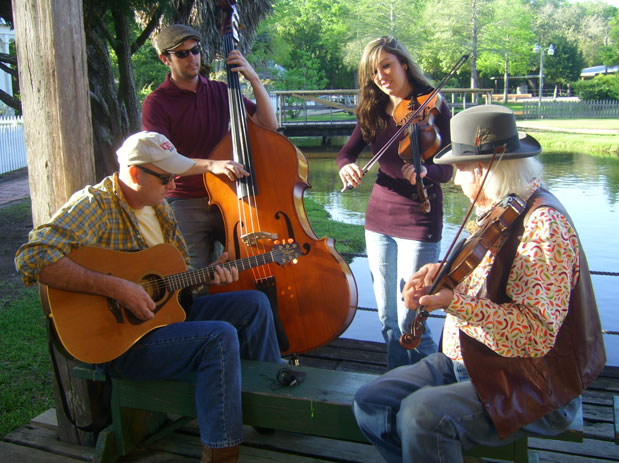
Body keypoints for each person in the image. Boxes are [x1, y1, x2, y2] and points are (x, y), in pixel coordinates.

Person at [352, 105, 606, 463]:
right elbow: (485, 272)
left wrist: (453, 303)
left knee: (423, 415)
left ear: (488, 168)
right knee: (371, 402)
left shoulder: (543, 226)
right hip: (469, 362)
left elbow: (535, 334)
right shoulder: (501, 209)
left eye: (460, 169)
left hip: (531, 381)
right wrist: (438, 273)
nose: (455, 180)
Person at [15, 131, 283, 463]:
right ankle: (220, 451)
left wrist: (210, 274)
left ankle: (273, 406)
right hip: (121, 344)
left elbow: (174, 290)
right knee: (218, 336)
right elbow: (33, 257)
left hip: (163, 325)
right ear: (133, 173)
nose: (174, 185)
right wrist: (116, 288)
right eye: (167, 177)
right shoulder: (95, 205)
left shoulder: (160, 209)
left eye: (177, 175)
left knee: (253, 305)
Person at [336, 36, 453, 370]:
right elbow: (346, 154)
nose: (381, 76)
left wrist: (425, 169)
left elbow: (449, 169)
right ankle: (396, 387)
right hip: (378, 221)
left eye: (386, 66)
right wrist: (347, 168)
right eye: (374, 72)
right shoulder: (372, 110)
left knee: (410, 320)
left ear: (403, 63)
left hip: (419, 219)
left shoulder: (432, 104)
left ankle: (440, 386)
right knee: (388, 319)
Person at [142, 24, 279, 269]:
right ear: (165, 59)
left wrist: (254, 78)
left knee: (253, 263)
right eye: (182, 54)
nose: (192, 58)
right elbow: (161, 159)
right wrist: (212, 165)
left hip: (230, 195)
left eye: (195, 50)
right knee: (191, 274)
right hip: (184, 199)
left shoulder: (221, 91)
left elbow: (269, 125)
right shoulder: (156, 104)